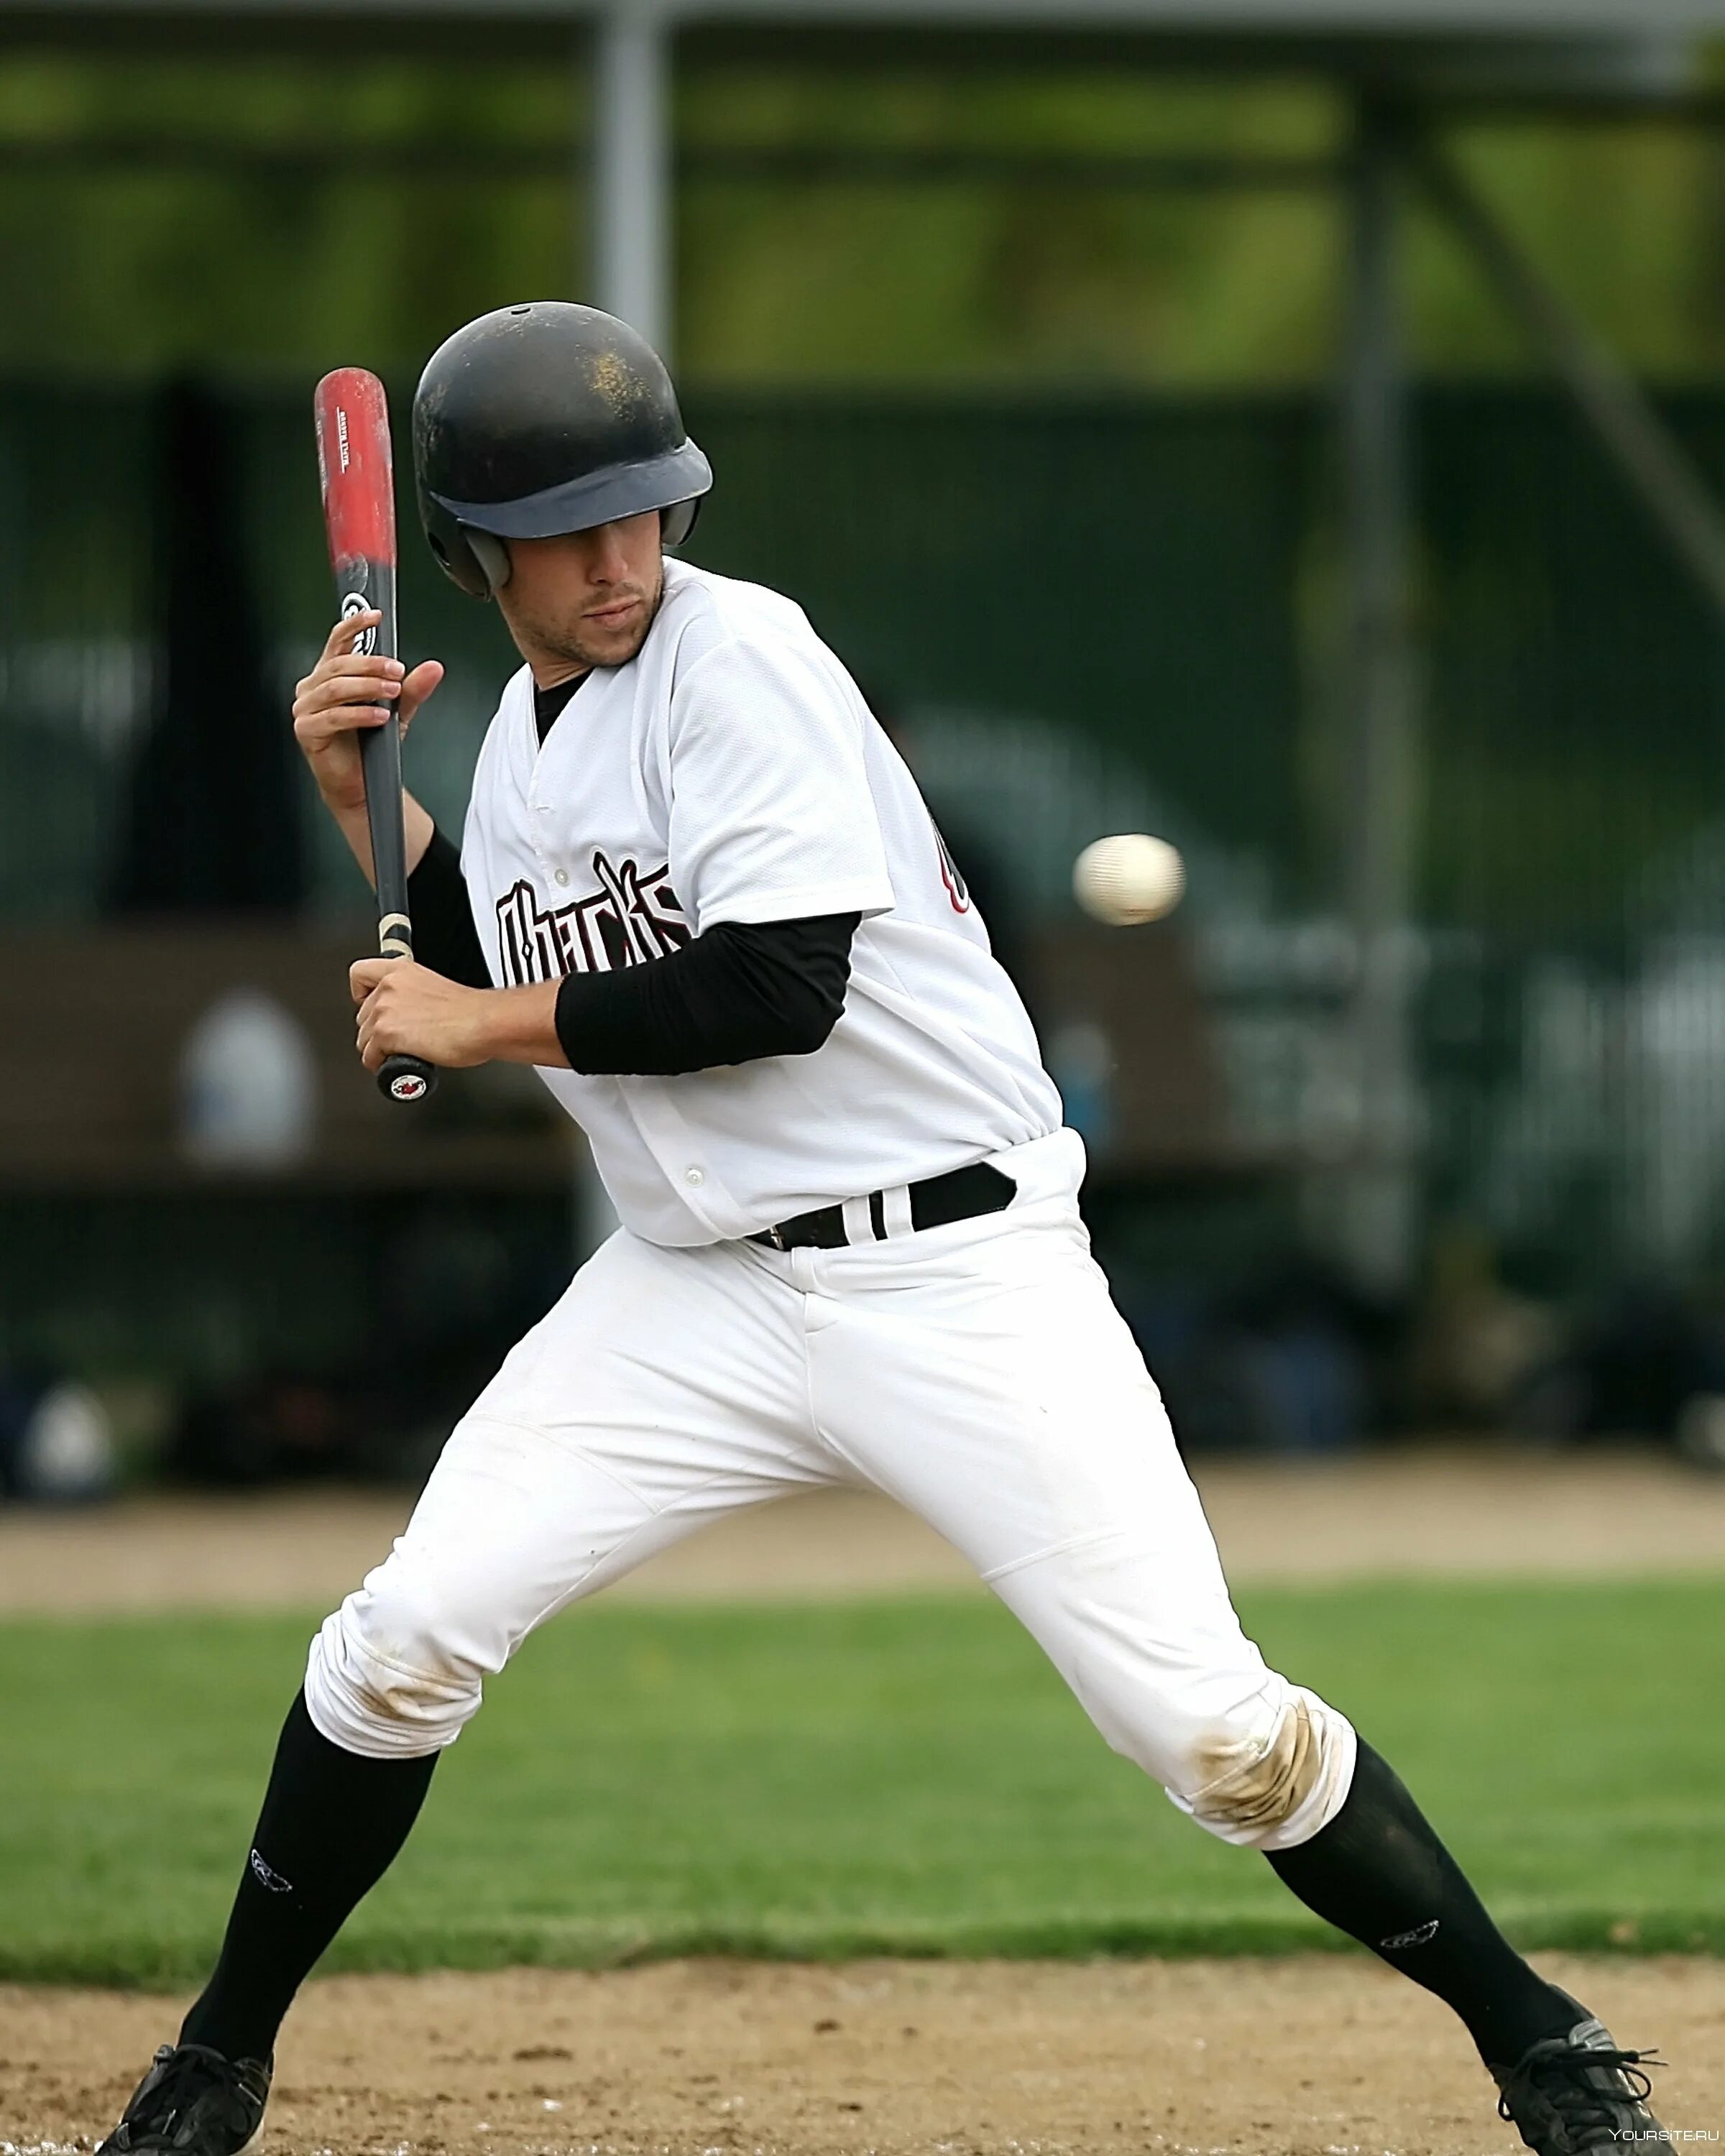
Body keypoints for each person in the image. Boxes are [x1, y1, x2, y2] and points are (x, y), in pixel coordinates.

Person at [98, 303, 1662, 2156]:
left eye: (643, 511)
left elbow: (772, 987)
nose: (621, 560)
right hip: (694, 1291)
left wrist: (473, 1020)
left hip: (957, 1274)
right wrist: (376, 812)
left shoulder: (739, 653)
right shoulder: (520, 747)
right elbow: (508, 966)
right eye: (568, 530)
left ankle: (1550, 2053)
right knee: (404, 1635)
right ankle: (216, 2063)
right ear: (468, 557)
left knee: (1208, 1731)